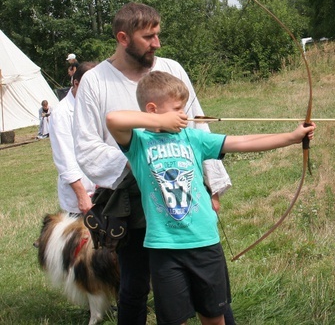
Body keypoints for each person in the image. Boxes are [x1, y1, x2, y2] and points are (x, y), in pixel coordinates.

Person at [106, 71, 316, 325]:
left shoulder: (193, 138)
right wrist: (158, 120)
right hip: (164, 249)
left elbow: (242, 142)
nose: (184, 114)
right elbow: (113, 118)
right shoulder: (138, 143)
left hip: (205, 244)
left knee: (214, 317)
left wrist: (291, 138)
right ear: (153, 109)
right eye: (177, 109)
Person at [74, 2, 233, 325]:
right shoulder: (95, 82)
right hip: (131, 198)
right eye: (148, 37)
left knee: (209, 288)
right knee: (133, 284)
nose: (157, 43)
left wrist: (213, 185)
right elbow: (86, 146)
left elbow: (198, 127)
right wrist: (140, 164)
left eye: (158, 35)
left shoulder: (171, 69)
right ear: (123, 37)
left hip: (183, 189)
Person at [50, 62, 97, 216]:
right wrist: (81, 195)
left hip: (103, 190)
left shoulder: (96, 105)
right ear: (76, 83)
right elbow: (65, 158)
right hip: (81, 196)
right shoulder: (61, 113)